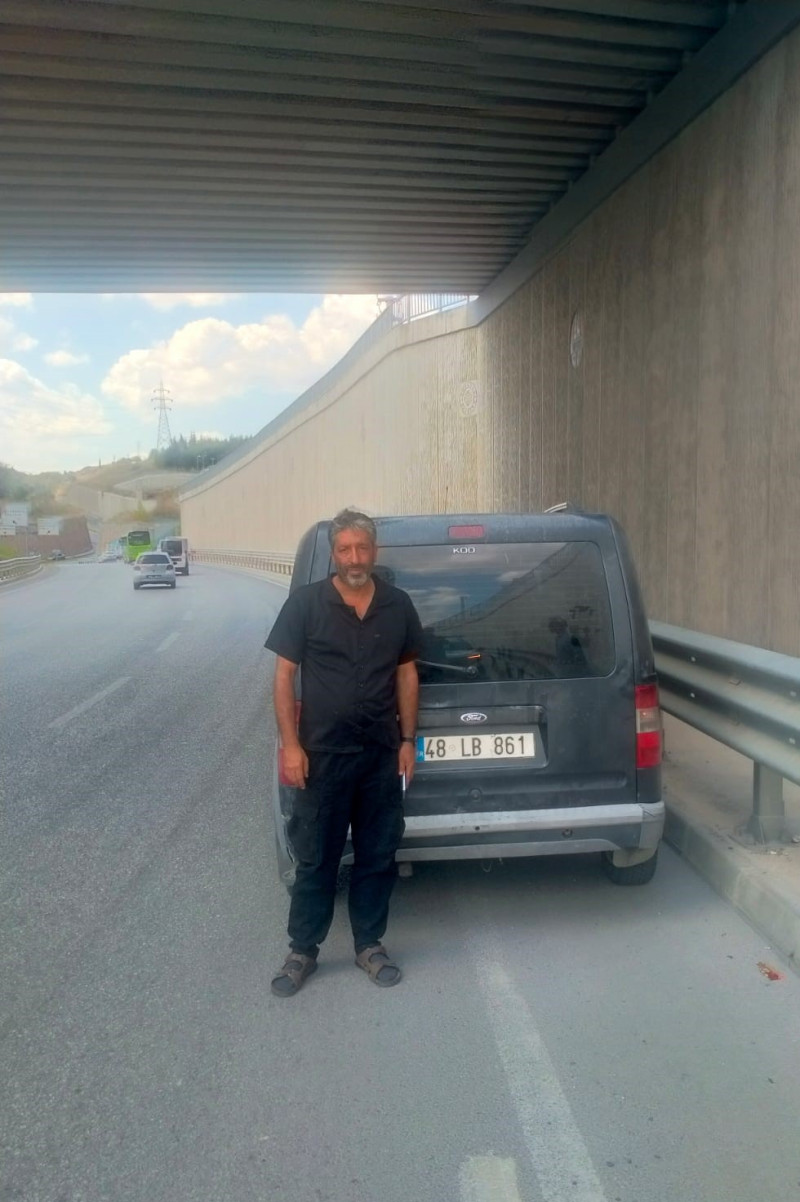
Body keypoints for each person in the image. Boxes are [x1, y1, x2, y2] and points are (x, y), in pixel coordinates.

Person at [265, 508, 423, 998]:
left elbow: (407, 674)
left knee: (378, 854)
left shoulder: (397, 605)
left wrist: (408, 740)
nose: (355, 558)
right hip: (322, 757)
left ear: (375, 551)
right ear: (334, 554)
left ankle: (369, 946)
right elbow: (284, 676)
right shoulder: (305, 604)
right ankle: (302, 951)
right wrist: (291, 746)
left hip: (379, 754)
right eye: (345, 549)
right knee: (317, 858)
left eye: (362, 548)